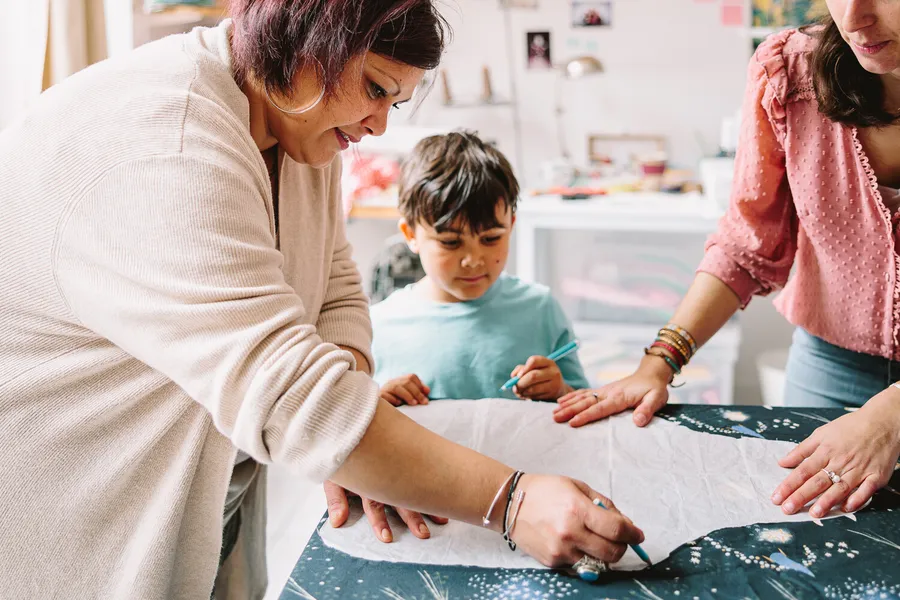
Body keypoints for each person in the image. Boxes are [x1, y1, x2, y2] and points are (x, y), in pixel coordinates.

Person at [0, 1, 644, 598]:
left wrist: (346, 435)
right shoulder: (164, 147)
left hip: (210, 502)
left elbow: (334, 282)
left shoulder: (295, 117)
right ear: (307, 43)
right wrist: (512, 501)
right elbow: (289, 395)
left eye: (396, 101)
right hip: (83, 523)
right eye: (374, 89)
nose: (379, 123)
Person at [554, 0, 900, 524]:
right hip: (831, 366)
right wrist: (658, 363)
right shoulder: (791, 75)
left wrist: (891, 415)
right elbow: (746, 246)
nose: (853, 18)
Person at [373, 131, 590, 405]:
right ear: (410, 234)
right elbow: (356, 425)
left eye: (490, 239)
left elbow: (585, 403)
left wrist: (559, 391)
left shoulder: (540, 309)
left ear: (511, 225)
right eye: (451, 242)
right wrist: (378, 403)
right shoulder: (378, 327)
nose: (473, 260)